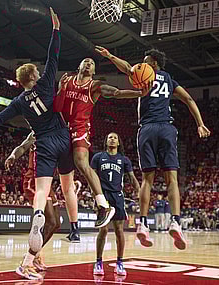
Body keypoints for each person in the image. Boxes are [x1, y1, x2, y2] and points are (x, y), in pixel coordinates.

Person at [0, 9, 80, 280]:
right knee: (68, 185)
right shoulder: (47, 82)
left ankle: (36, 220)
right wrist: (56, 30)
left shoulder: (19, 102)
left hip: (44, 142)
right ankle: (73, 224)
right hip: (62, 137)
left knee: (43, 192)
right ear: (34, 75)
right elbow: (53, 56)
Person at [95, 46, 211, 250]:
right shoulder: (169, 79)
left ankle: (143, 223)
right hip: (166, 128)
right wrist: (200, 123)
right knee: (172, 179)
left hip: (147, 129)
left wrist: (110, 56)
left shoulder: (143, 73)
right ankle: (175, 221)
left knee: (147, 180)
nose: (142, 63)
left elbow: (127, 68)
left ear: (154, 63)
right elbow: (189, 99)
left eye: (146, 59)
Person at [55, 56, 150, 229]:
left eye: (92, 63)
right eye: (86, 61)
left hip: (80, 128)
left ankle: (102, 204)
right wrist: (60, 90)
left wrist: (138, 93)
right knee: (58, 167)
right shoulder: (66, 81)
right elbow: (57, 106)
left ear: (94, 71)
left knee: (81, 161)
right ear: (79, 65)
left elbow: (116, 93)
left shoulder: (95, 86)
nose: (89, 63)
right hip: (61, 128)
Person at [5, 131, 74, 272]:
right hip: (34, 180)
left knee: (56, 224)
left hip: (47, 182)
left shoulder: (61, 134)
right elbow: (22, 147)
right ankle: (28, 259)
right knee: (51, 221)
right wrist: (13, 155)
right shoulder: (36, 132)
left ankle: (34, 254)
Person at [90, 132, 140, 277]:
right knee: (103, 230)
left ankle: (120, 262)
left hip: (118, 196)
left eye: (115, 138)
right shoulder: (98, 157)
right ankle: (98, 262)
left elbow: (131, 178)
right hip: (103, 196)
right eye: (110, 137)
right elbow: (92, 177)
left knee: (119, 230)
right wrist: (95, 197)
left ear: (118, 143)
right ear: (106, 141)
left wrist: (139, 192)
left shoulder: (124, 160)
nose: (112, 139)